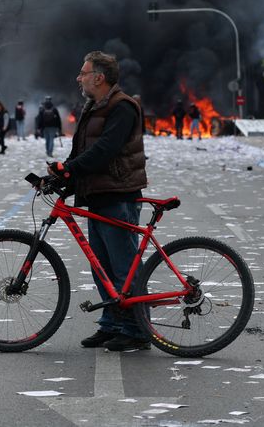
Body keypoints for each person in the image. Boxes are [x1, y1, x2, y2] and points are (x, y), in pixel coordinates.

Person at [48, 50, 150, 352]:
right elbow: (82, 150)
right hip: (99, 196)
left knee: (123, 267)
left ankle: (136, 330)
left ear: (99, 77)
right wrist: (61, 174)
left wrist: (72, 168)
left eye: (83, 72)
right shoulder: (94, 106)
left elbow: (105, 150)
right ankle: (112, 324)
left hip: (118, 195)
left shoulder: (123, 107)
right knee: (102, 267)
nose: (78, 77)